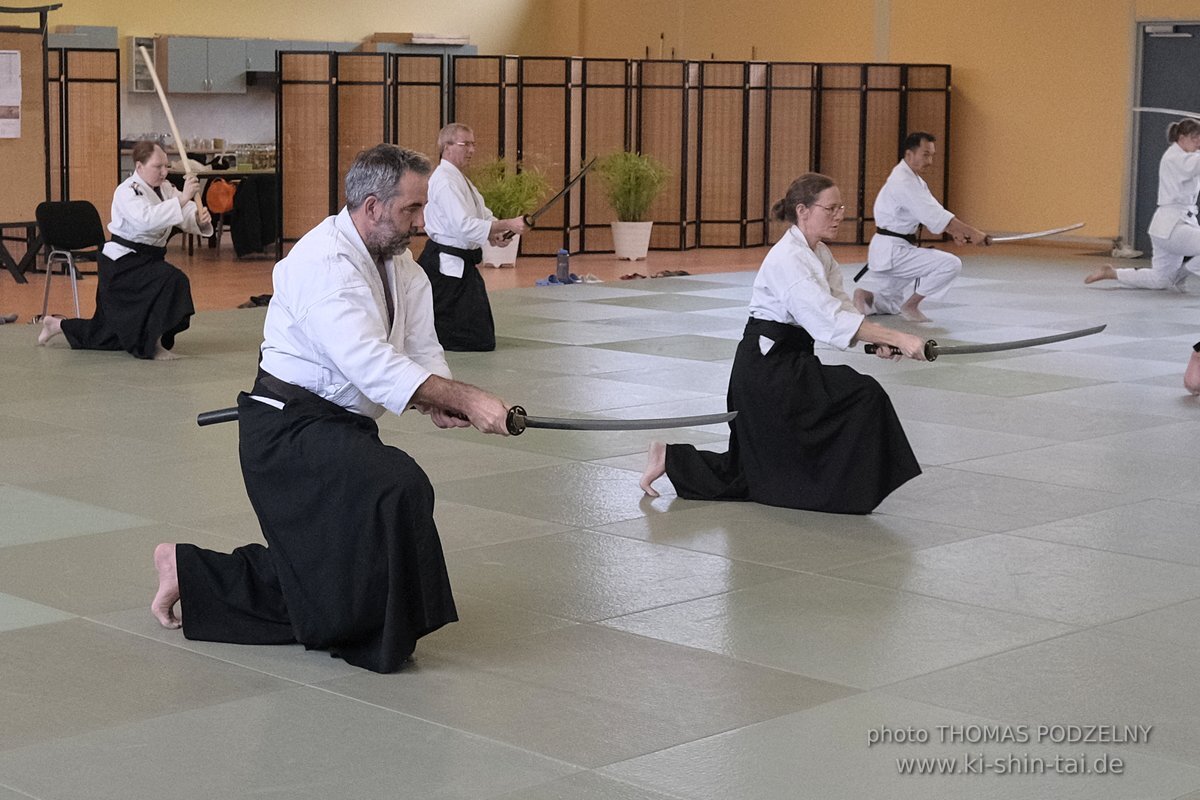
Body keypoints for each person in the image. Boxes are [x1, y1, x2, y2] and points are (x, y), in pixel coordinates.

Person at [150, 144, 513, 673]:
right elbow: (368, 363)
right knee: (396, 485)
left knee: (327, 570)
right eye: (412, 209)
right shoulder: (324, 262)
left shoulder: (398, 263)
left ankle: (189, 570)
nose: (421, 221)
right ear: (372, 206)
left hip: (341, 428)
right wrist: (468, 399)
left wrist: (442, 399)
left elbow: (419, 344)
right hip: (287, 429)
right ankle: (373, 628)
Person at [640, 173, 927, 514]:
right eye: (831, 208)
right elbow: (828, 320)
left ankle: (670, 457)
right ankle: (840, 490)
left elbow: (842, 308)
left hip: (791, 364)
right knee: (861, 394)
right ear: (803, 210)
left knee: (748, 473)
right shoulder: (789, 258)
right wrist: (899, 337)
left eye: (841, 207)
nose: (839, 215)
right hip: (767, 371)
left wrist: (877, 341)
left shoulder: (819, 253)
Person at [37, 140, 210, 360]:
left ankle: (57, 324)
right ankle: (153, 345)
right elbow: (146, 220)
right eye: (158, 167)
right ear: (139, 166)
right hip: (123, 264)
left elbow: (183, 214)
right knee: (172, 281)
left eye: (166, 166)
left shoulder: (165, 188)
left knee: (107, 334)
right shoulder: (127, 191)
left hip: (148, 260)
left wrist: (197, 217)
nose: (164, 172)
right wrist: (184, 199)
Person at [853, 131, 988, 322]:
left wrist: (956, 232)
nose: (930, 161)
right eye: (926, 154)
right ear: (909, 154)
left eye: (932, 155)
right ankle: (911, 305)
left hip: (889, 251)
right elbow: (934, 215)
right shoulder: (904, 181)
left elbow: (933, 213)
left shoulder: (911, 179)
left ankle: (865, 295)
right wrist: (971, 232)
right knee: (950, 264)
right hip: (894, 252)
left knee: (890, 306)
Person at [416, 122, 527, 351]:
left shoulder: (459, 179)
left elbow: (481, 213)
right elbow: (463, 225)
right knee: (471, 337)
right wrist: (509, 224)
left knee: (481, 335)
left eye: (473, 144)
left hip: (460, 264)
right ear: (446, 146)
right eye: (465, 144)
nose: (472, 150)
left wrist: (495, 234)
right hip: (446, 267)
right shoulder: (445, 180)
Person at [1085, 118, 1200, 291]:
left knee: (1160, 280)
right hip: (1173, 227)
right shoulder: (1175, 157)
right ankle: (1180, 275)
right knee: (1170, 278)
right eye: (1194, 138)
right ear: (1181, 138)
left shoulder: (1185, 157)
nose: (1198, 143)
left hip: (1168, 228)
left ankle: (1113, 273)